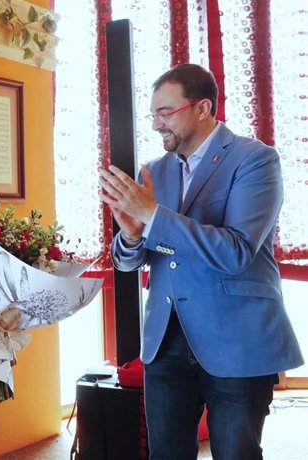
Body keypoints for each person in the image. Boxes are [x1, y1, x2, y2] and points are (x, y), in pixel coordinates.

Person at [98, 63, 303, 460]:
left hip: (237, 338)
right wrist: (132, 234)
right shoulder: (154, 172)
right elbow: (128, 263)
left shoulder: (256, 160)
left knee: (235, 454)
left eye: (165, 112)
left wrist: (154, 216)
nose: (156, 124)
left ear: (203, 108)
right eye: (152, 113)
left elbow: (237, 251)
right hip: (165, 341)